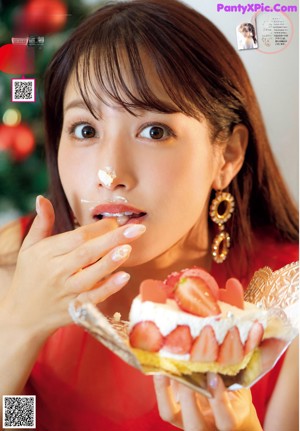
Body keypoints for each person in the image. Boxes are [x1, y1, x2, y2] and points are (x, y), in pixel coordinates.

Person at [0, 0, 298, 429]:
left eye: (154, 131)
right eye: (85, 130)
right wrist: (20, 328)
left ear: (227, 155)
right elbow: (18, 420)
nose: (111, 174)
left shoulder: (289, 303)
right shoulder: (15, 260)